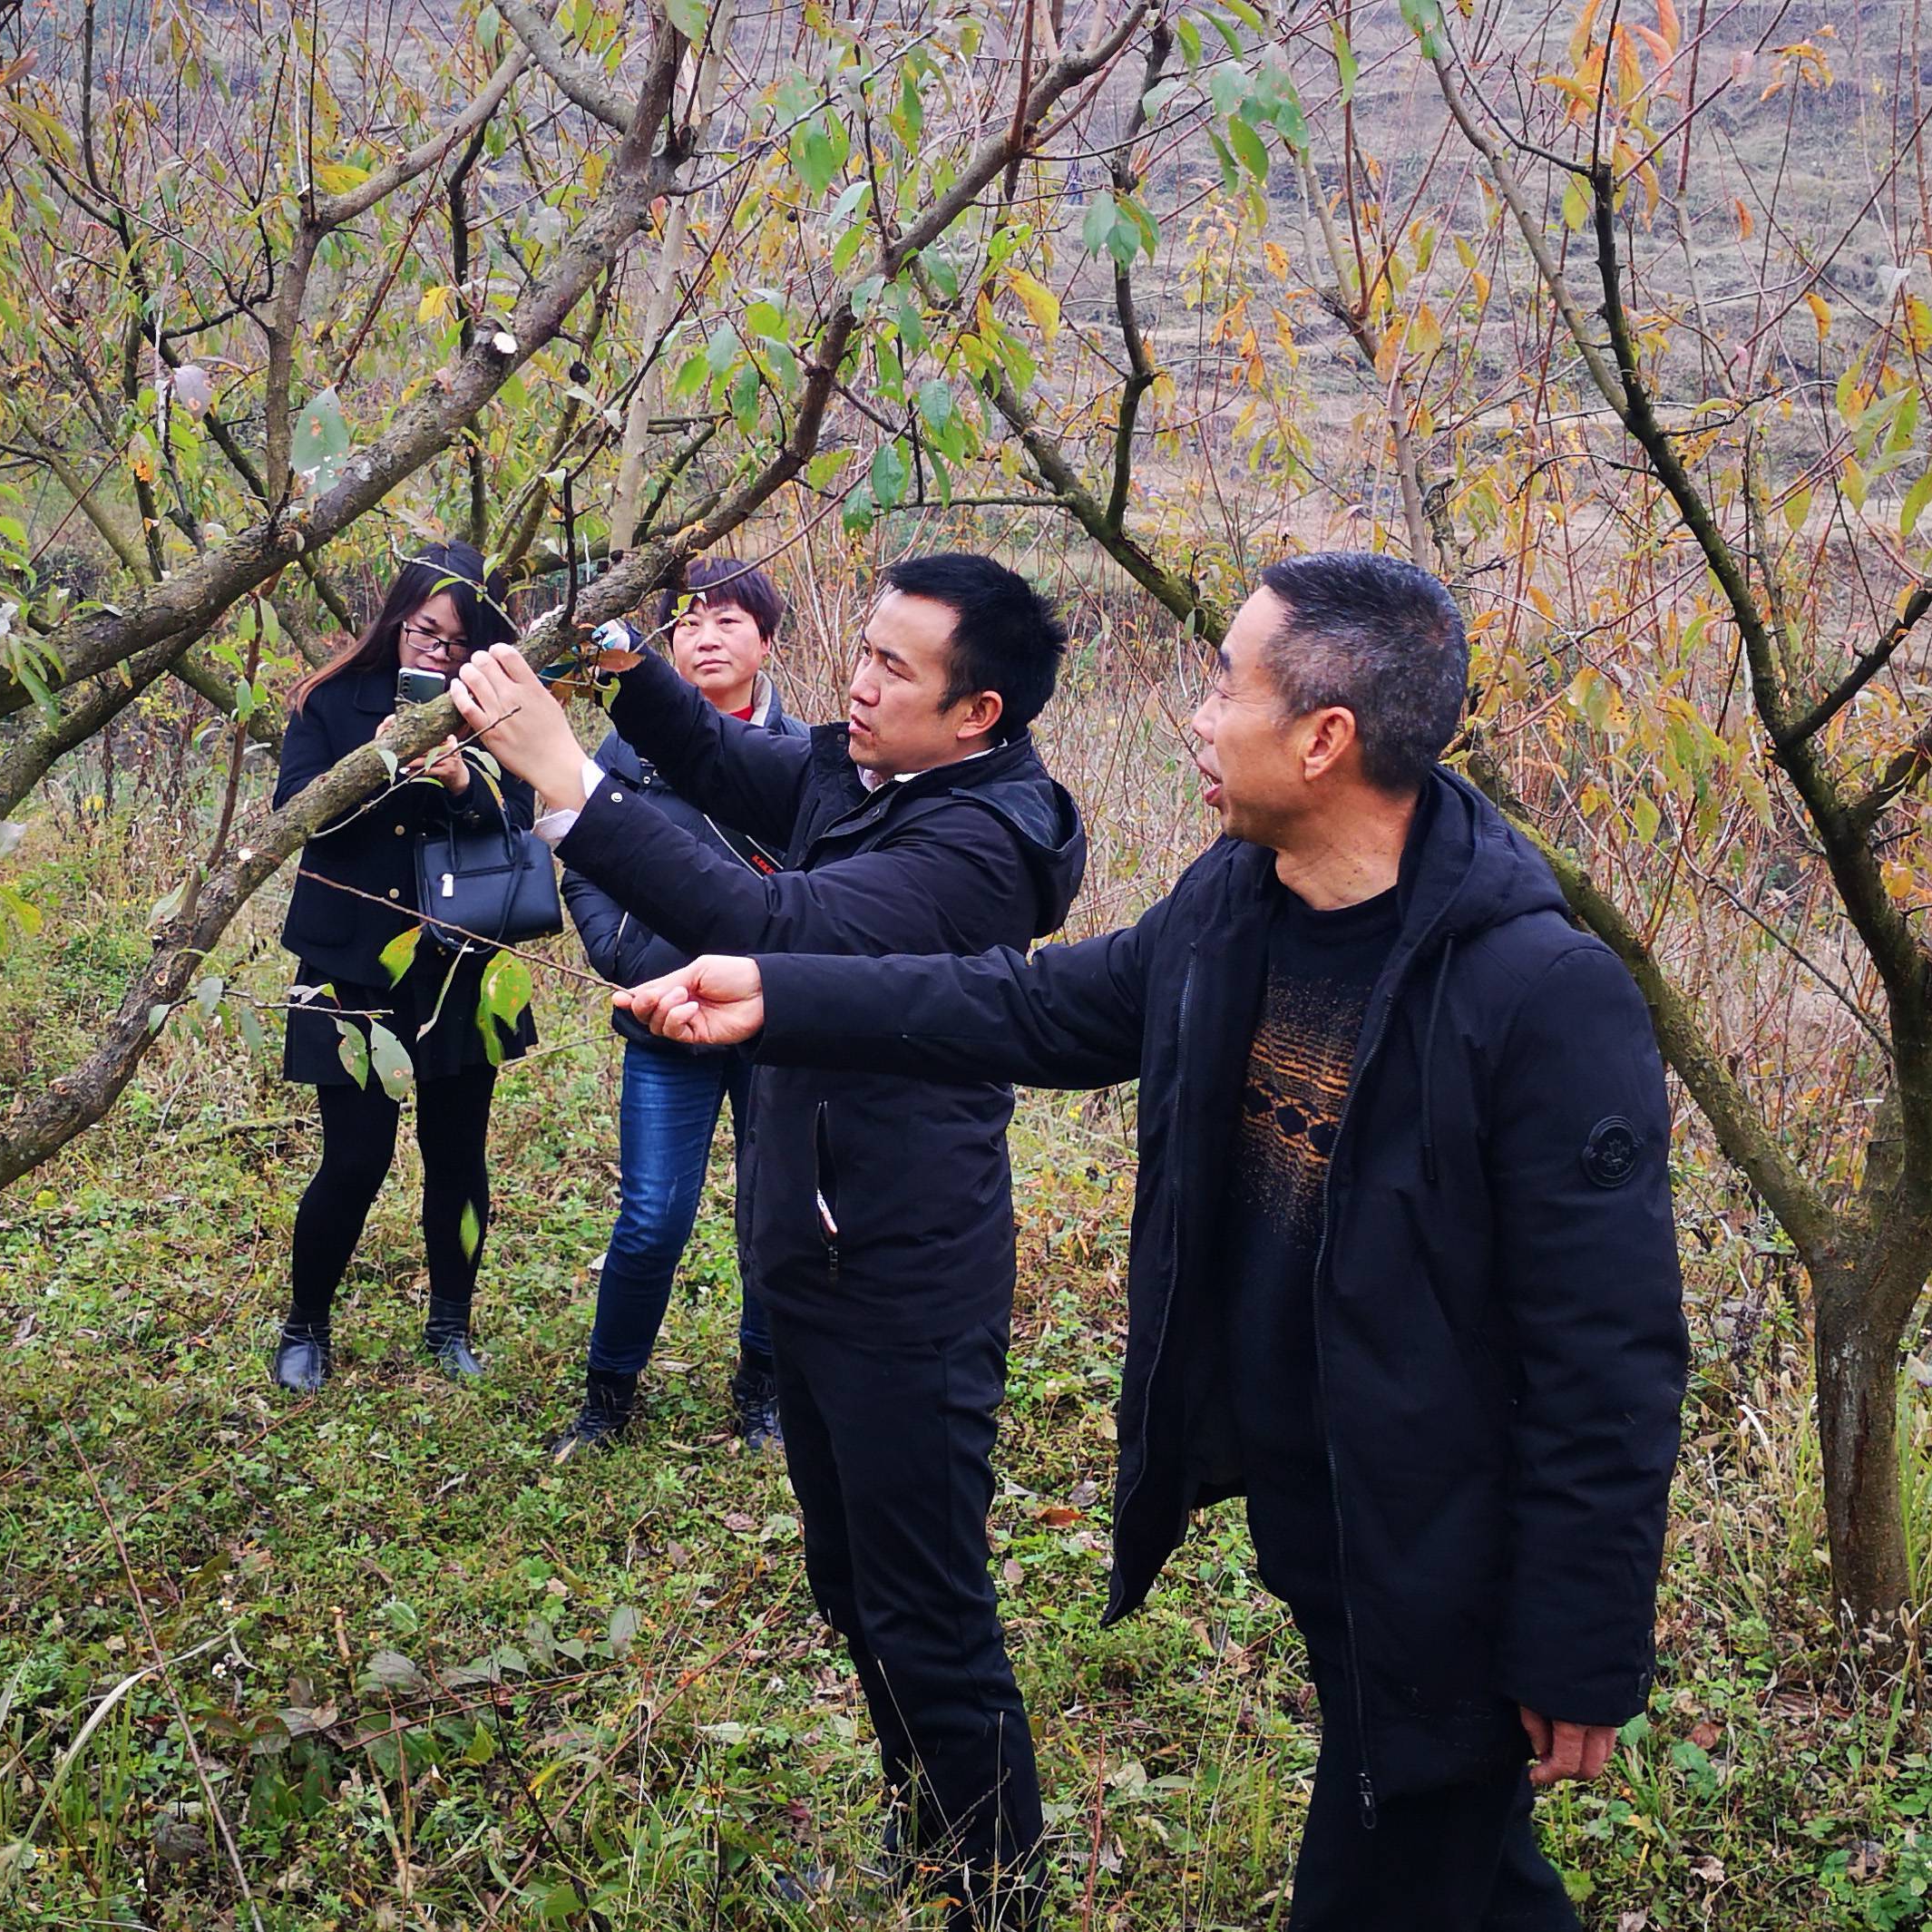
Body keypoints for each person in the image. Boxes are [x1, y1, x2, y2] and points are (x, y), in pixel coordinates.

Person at [619, 552, 1691, 1932]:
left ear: (1323, 738)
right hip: (1325, 1502)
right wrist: (775, 989)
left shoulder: (1537, 993)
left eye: (1222, 683)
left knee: (1392, 1854)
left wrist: (1581, 1637)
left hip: (1445, 1539)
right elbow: (1034, 1009)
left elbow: (1609, 1350)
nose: (1192, 714)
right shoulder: (1237, 904)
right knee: (1468, 1869)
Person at [454, 553, 1085, 1929]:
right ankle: (933, 1852)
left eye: (893, 672)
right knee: (854, 1585)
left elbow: (766, 921)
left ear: (975, 713)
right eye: (857, 654)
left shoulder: (975, 846)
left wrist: (571, 784)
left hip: (904, 1279)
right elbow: (736, 765)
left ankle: (997, 1897)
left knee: (928, 1609)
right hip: (813, 1250)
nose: (856, 687)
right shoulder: (868, 772)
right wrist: (629, 666)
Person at [553, 557, 807, 1459]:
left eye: (728, 620)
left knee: (775, 1213)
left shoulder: (803, 759)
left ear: (767, 642)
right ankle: (608, 1393)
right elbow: (581, 854)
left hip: (777, 1021)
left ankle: (765, 1387)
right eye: (689, 621)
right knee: (653, 1215)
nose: (704, 636)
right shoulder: (630, 745)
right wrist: (618, 950)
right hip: (664, 1015)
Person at [268, 541, 537, 1393]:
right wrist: (376, 762)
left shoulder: (495, 709)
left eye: (458, 643)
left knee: (457, 1153)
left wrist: (463, 781)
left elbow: (522, 817)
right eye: (425, 631)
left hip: (456, 959)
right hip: (350, 959)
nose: (437, 654)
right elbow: (293, 818)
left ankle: (450, 1325)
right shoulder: (330, 698)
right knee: (354, 1156)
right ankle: (305, 1323)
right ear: (396, 617)